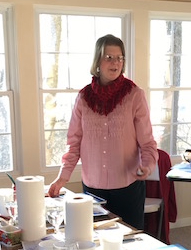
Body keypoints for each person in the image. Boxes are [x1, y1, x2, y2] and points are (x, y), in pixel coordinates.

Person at [47, 34, 158, 230]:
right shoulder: (83, 98)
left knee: (130, 244)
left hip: (128, 188)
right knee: (95, 245)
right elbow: (74, 143)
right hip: (92, 190)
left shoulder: (134, 96)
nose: (115, 62)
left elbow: (147, 143)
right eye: (109, 57)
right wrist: (63, 177)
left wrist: (146, 166)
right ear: (98, 60)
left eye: (120, 57)